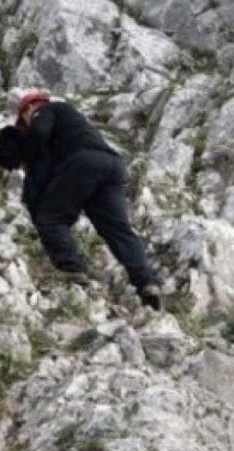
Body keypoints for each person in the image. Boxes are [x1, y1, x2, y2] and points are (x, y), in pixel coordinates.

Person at [14, 89, 163, 310]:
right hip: (112, 166)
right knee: (118, 229)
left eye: (24, 120)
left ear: (28, 109)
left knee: (50, 218)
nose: (26, 124)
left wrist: (25, 151)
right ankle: (146, 282)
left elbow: (38, 133)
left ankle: (71, 269)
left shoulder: (44, 110)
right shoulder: (73, 124)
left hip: (83, 164)